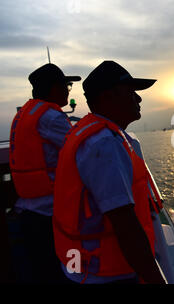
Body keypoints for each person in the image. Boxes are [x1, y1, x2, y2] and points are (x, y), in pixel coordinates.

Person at [53, 61, 166, 284]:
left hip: (81, 268)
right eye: (131, 92)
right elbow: (125, 225)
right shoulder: (104, 144)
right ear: (107, 98)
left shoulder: (89, 133)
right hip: (104, 274)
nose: (139, 99)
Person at [9, 63, 81, 283]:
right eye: (66, 85)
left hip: (28, 210)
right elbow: (81, 150)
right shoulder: (51, 117)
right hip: (50, 215)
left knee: (44, 273)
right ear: (53, 89)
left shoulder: (25, 114)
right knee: (71, 272)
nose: (69, 90)